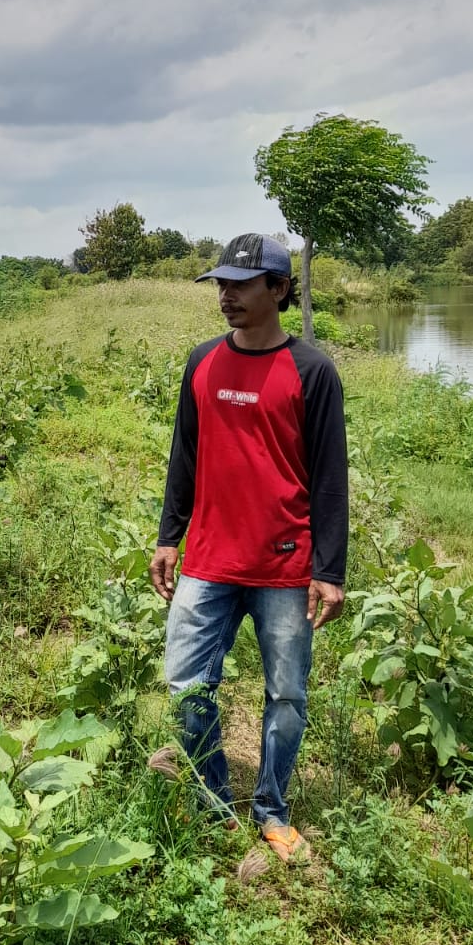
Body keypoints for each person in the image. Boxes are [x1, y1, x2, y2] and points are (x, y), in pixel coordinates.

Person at [147, 233, 348, 863]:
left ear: (279, 290)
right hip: (208, 558)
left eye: (241, 284)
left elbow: (328, 475)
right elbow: (185, 452)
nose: (226, 296)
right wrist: (167, 537)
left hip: (284, 565)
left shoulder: (311, 371)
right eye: (221, 284)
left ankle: (271, 808)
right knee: (184, 683)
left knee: (286, 692)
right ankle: (212, 801)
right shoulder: (202, 361)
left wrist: (329, 568)